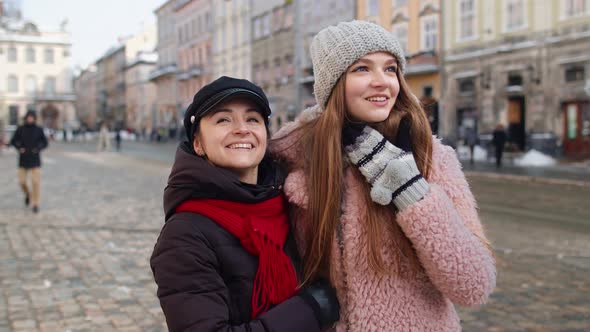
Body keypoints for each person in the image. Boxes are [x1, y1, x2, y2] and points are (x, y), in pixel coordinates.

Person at [271, 21, 496, 331]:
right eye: (362, 69)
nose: (382, 82)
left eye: (390, 69)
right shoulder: (293, 157)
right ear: (333, 84)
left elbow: (473, 285)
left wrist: (411, 191)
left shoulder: (429, 157)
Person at [150, 76, 340, 332]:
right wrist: (309, 309)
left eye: (253, 119)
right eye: (223, 120)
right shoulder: (184, 235)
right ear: (198, 144)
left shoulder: (293, 205)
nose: (242, 129)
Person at [9, 111, 48, 213]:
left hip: (35, 159)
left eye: (32, 117)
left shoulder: (38, 130)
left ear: (34, 118)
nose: (30, 119)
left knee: (36, 182)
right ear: (26, 118)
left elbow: (44, 142)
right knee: (22, 182)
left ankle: (35, 203)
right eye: (28, 117)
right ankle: (28, 194)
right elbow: (13, 141)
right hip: (23, 159)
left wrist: (38, 148)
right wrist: (19, 148)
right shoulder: (20, 129)